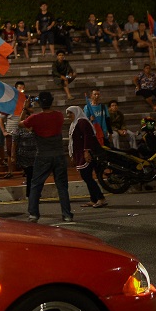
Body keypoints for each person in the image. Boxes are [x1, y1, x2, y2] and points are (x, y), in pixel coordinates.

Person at [21, 91, 73, 223]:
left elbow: (21, 124)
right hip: (59, 154)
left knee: (36, 185)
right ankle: (67, 214)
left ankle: (34, 214)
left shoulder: (35, 118)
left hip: (43, 155)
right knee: (62, 186)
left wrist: (25, 108)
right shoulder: (58, 115)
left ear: (39, 103)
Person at [67, 106, 107, 208]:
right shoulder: (75, 123)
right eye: (68, 113)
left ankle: (101, 198)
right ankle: (94, 199)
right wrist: (73, 154)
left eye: (70, 113)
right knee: (87, 176)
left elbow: (87, 136)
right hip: (80, 153)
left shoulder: (82, 122)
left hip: (86, 153)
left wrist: (86, 151)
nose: (68, 115)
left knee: (87, 176)